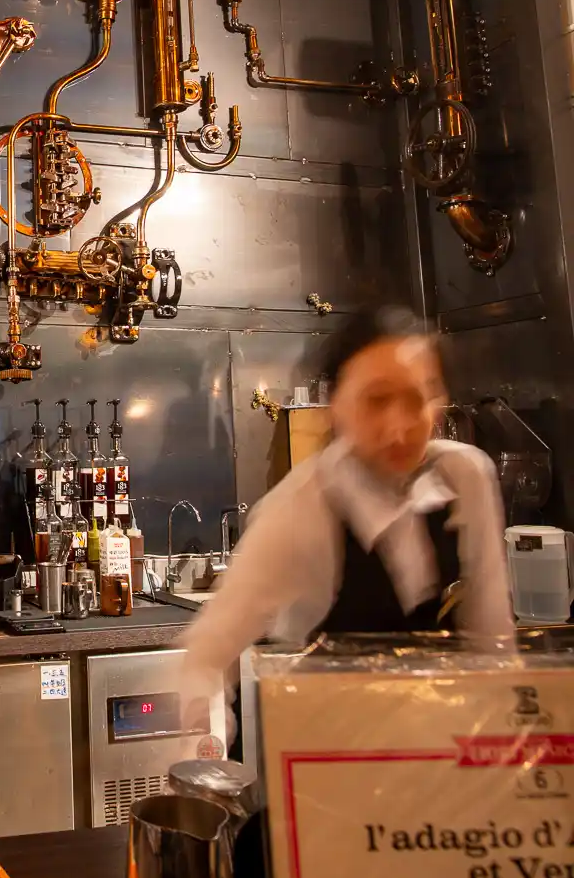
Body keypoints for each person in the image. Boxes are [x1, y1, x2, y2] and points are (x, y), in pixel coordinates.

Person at [177, 305, 516, 712]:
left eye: (416, 398)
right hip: (330, 748)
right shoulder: (299, 510)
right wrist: (206, 757)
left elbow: (494, 642)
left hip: (442, 743)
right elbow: (206, 658)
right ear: (335, 404)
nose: (398, 427)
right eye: (376, 400)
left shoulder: (466, 477)